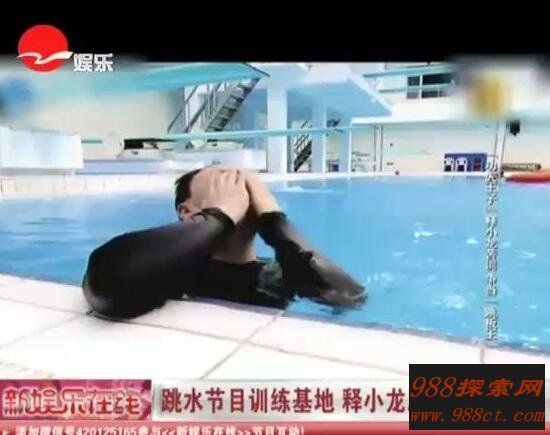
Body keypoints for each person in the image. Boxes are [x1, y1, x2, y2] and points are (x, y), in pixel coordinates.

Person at [82, 166, 366, 319]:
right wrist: (220, 217)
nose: (241, 184)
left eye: (248, 184)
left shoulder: (283, 273)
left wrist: (275, 223)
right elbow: (107, 282)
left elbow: (350, 298)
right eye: (224, 181)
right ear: (188, 211)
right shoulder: (173, 270)